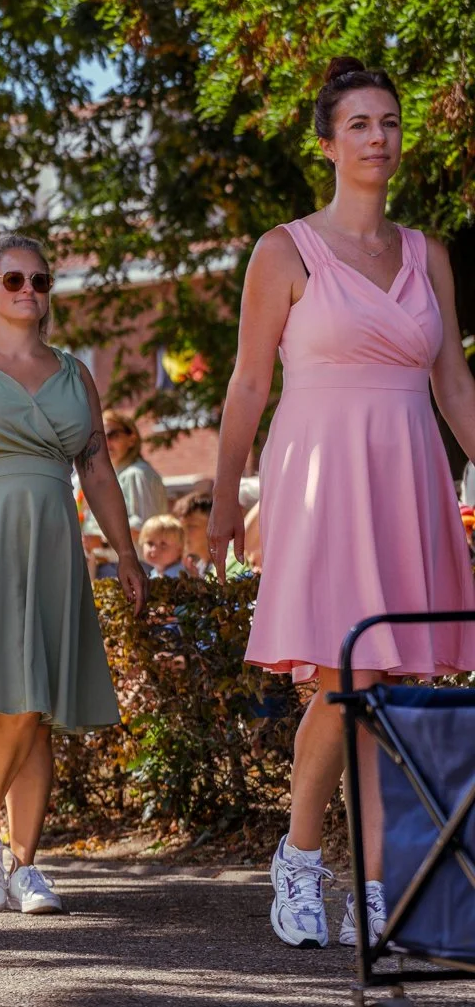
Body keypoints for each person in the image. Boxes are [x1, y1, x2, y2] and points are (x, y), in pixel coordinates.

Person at [207, 58, 475, 949]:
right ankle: (299, 857)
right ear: (327, 143)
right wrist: (219, 499)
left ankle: (372, 883)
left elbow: (456, 388)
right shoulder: (285, 250)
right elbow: (247, 383)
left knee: (390, 683)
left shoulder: (428, 252)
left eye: (390, 121)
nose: (378, 137)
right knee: (341, 674)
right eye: (359, 123)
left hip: (407, 471)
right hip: (320, 475)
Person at [0, 235, 146, 916]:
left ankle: (24, 863)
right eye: (12, 280)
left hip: (53, 537)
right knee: (12, 696)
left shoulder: (76, 373)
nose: (27, 292)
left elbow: (97, 468)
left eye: (40, 281)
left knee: (38, 705)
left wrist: (126, 550)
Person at [83, 410, 169, 578]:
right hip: (110, 568)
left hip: (133, 567)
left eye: (113, 434)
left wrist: (103, 542)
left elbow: (146, 526)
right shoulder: (116, 475)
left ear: (132, 438)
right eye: (99, 436)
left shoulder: (137, 474)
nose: (106, 442)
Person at [171, 487, 213, 578]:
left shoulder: (230, 563)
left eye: (191, 526)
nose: (183, 533)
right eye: (181, 528)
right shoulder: (199, 567)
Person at [139, 515, 187, 580]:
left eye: (163, 544)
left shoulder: (180, 577)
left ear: (180, 549)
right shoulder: (154, 574)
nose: (154, 549)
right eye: (150, 543)